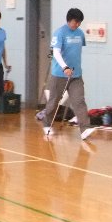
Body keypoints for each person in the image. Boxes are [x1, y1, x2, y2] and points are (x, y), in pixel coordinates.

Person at [41, 8, 94, 140]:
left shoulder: (80, 33)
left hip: (76, 75)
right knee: (54, 102)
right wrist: (64, 67)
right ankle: (46, 123)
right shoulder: (60, 33)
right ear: (69, 20)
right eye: (76, 21)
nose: (78, 24)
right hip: (59, 75)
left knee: (79, 101)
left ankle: (84, 129)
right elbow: (56, 52)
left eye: (80, 22)